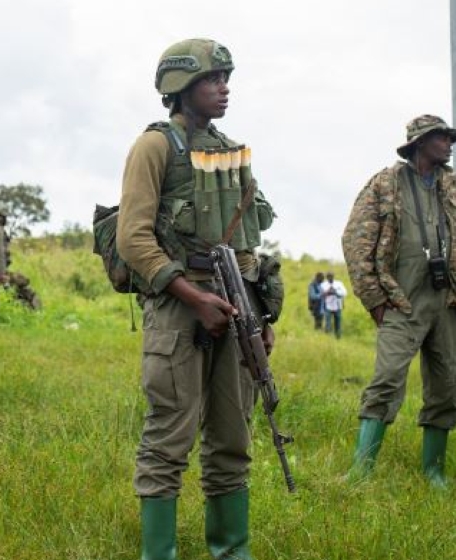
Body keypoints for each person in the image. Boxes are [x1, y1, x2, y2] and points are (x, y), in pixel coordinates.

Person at [117, 38, 281, 560]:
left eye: (226, 78)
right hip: (176, 307)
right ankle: (158, 553)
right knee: (169, 436)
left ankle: (232, 551)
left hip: (235, 306)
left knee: (234, 438)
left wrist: (258, 314)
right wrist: (192, 296)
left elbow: (246, 241)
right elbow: (133, 238)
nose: (224, 88)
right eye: (213, 79)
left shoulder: (230, 150)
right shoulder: (155, 146)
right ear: (179, 87)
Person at [342, 114, 456, 487]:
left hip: (448, 300)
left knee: (447, 384)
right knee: (387, 379)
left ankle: (434, 472)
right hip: (401, 301)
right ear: (420, 142)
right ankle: (361, 471)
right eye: (441, 138)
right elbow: (355, 241)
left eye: (449, 138)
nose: (448, 144)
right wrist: (374, 298)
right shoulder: (386, 183)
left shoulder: (455, 186)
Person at [320, 271, 347, 339]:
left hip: (337, 306)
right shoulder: (323, 285)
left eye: (331, 277)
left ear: (333, 277)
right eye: (329, 277)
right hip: (328, 307)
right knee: (328, 324)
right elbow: (321, 295)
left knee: (337, 323)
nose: (330, 278)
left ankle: (338, 338)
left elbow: (344, 293)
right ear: (327, 278)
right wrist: (327, 292)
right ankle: (327, 338)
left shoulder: (339, 283)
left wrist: (335, 292)